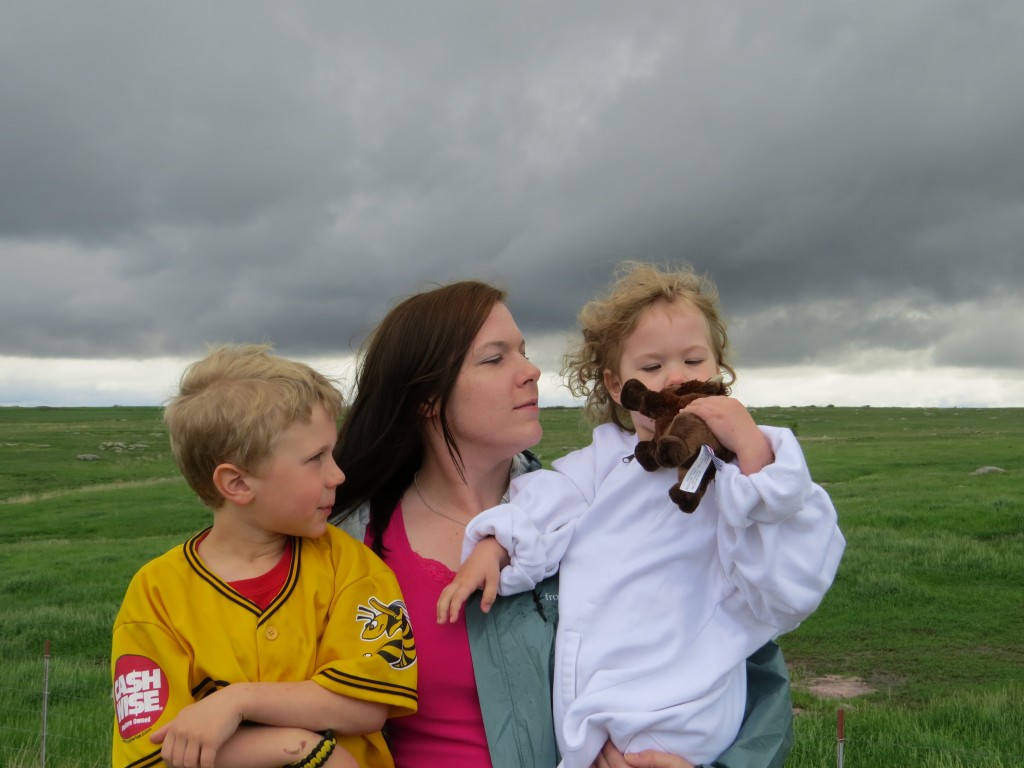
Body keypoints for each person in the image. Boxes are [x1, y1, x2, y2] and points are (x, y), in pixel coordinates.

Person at [330, 279, 804, 768]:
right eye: (495, 359)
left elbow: (749, 660)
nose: (531, 371)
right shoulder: (349, 539)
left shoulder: (597, 505)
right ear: (426, 397)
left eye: (524, 352)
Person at [437, 262, 846, 768]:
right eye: (651, 369)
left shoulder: (742, 470)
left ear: (718, 370)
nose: (675, 378)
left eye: (694, 360)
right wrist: (495, 545)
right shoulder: (606, 462)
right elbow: (546, 499)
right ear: (616, 385)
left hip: (695, 695)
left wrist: (752, 455)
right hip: (602, 697)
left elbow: (791, 579)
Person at [111, 344, 417, 768]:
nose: (338, 474)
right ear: (237, 484)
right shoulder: (156, 594)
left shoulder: (352, 568)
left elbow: (365, 706)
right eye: (315, 459)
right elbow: (152, 754)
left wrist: (238, 701)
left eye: (332, 452)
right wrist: (303, 749)